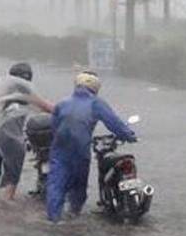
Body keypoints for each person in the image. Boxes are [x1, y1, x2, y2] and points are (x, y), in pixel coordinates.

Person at [46, 71, 136, 222]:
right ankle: (74, 216)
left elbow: (54, 127)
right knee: (79, 185)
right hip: (80, 150)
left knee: (56, 184)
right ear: (95, 88)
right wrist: (129, 136)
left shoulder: (62, 103)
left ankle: (54, 220)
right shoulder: (96, 103)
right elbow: (113, 123)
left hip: (59, 149)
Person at [0, 62, 54, 199]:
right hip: (11, 138)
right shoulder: (26, 93)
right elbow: (47, 107)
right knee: (11, 179)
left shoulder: (3, 92)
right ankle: (6, 211)